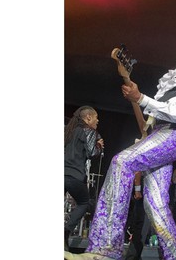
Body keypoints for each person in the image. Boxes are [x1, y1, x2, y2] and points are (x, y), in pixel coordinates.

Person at [64, 37, 176, 260]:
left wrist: (140, 97)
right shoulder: (170, 77)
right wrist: (145, 126)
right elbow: (152, 116)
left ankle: (105, 249)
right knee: (155, 203)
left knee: (122, 162)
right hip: (158, 133)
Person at [64, 106, 104, 251]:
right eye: (95, 117)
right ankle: (65, 232)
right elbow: (92, 153)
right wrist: (99, 146)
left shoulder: (68, 130)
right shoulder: (89, 131)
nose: (97, 120)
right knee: (84, 202)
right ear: (88, 118)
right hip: (74, 174)